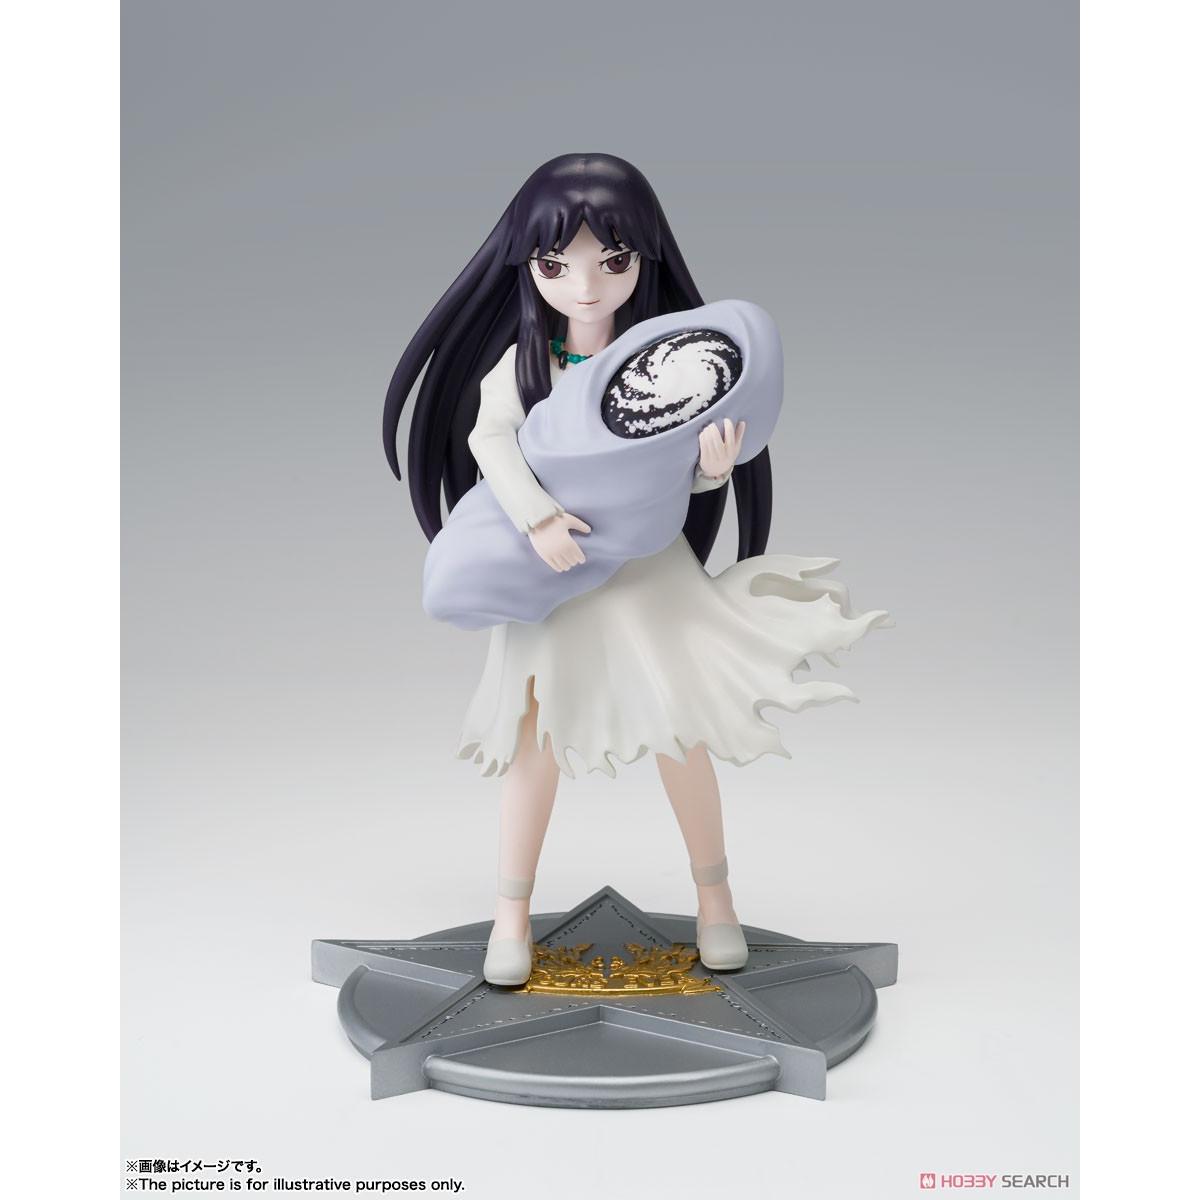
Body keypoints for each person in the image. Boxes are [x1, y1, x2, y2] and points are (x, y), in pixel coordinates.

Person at [383, 154, 888, 985]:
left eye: (611, 262)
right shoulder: (526, 364)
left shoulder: (668, 354)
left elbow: (676, 466)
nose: (586, 287)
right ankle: (511, 914)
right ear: (527, 267)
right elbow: (488, 440)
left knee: (680, 733)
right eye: (557, 266)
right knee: (536, 743)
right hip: (556, 576)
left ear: (642, 260)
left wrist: (713, 471)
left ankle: (716, 900)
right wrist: (537, 517)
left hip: (648, 573)